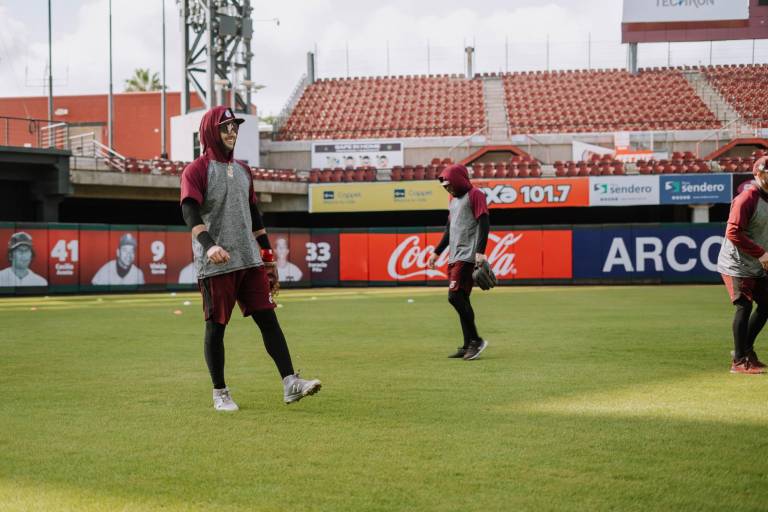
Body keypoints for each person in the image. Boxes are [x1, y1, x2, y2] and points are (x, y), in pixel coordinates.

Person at [180, 105, 321, 411]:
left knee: (269, 320)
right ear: (209, 131)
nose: (232, 132)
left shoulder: (244, 170)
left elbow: (255, 217)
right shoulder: (197, 170)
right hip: (216, 264)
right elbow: (189, 211)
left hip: (250, 260)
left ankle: (290, 383)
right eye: (225, 126)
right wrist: (209, 245)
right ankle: (220, 392)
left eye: (235, 126)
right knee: (216, 328)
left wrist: (269, 260)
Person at [426, 163, 490, 360]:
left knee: (454, 297)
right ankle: (466, 344)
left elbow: (484, 221)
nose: (448, 188)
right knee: (461, 297)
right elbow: (449, 230)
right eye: (446, 186)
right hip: (454, 256)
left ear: (459, 180)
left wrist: (480, 252)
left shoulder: (475, 194)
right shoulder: (453, 201)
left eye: (450, 185)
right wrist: (437, 252)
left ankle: (476, 341)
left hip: (467, 255)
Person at [717, 156, 768, 374]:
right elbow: (732, 232)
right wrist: (761, 253)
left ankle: (746, 350)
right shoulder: (747, 197)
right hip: (736, 263)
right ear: (758, 173)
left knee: (767, 304)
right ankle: (739, 361)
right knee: (744, 305)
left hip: (757, 262)